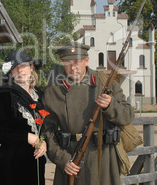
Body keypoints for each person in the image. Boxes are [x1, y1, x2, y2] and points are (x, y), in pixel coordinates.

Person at [43, 42, 134, 185]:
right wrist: (62, 159)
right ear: (61, 62)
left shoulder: (106, 83)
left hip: (103, 159)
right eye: (68, 62)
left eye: (77, 62)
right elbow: (47, 130)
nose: (73, 67)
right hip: (71, 159)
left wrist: (110, 106)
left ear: (86, 60)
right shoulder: (53, 90)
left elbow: (128, 115)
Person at [0, 50, 47, 185]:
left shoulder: (39, 94)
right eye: (15, 67)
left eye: (24, 65)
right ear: (11, 73)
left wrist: (43, 142)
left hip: (35, 166)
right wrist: (26, 137)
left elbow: (46, 126)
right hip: (11, 168)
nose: (20, 70)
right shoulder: (5, 95)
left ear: (31, 67)